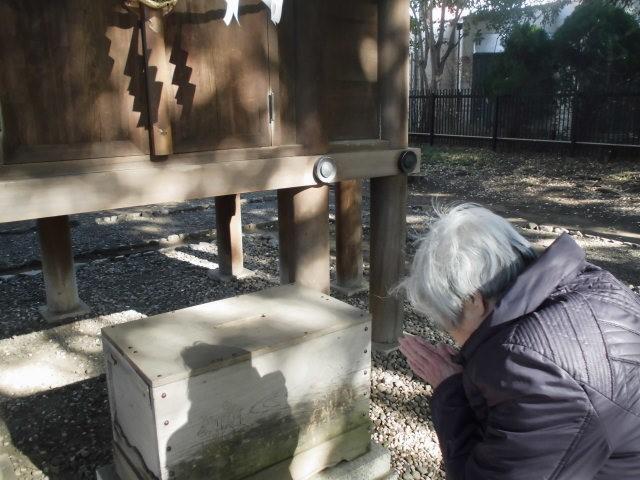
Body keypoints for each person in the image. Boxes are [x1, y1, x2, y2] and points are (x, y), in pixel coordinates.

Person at [398, 203, 640, 479]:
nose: (449, 334)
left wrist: (450, 393)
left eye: (447, 321)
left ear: (473, 301)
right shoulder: (596, 283)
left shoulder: (532, 371)